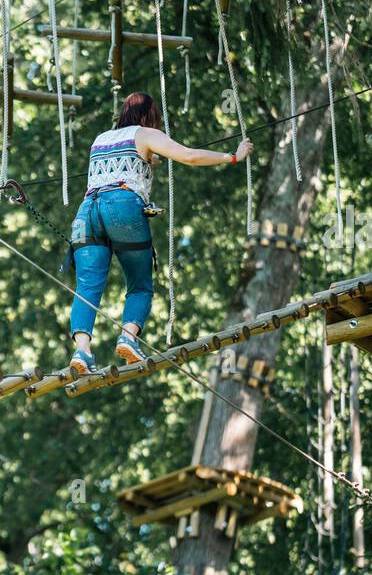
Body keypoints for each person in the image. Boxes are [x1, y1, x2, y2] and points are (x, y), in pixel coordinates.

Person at [68, 91, 253, 374]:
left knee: (87, 287)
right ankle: (128, 337)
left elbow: (118, 168)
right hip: (122, 207)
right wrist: (233, 157)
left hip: (86, 214)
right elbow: (190, 156)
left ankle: (82, 352)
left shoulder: (100, 139)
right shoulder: (145, 134)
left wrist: (149, 160)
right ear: (148, 117)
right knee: (140, 286)